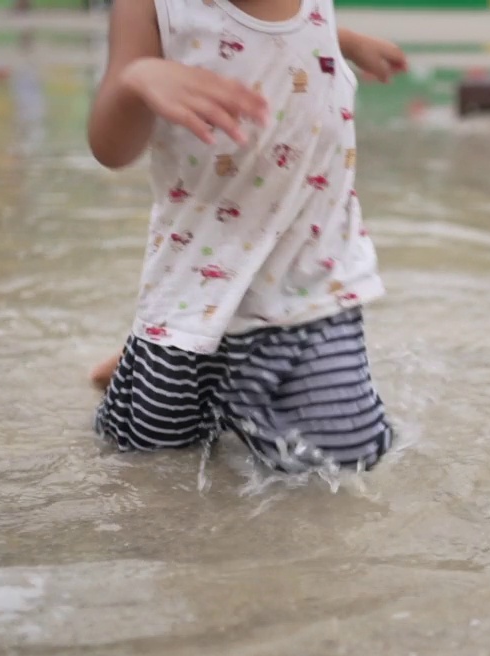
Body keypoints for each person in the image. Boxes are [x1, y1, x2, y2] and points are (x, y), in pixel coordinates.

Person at [87, 0, 407, 474]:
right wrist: (137, 77)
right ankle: (135, 360)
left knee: (346, 466)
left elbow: (278, 31)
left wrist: (345, 41)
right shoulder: (151, 8)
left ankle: (140, 360)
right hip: (190, 296)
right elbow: (110, 150)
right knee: (146, 464)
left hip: (312, 287)